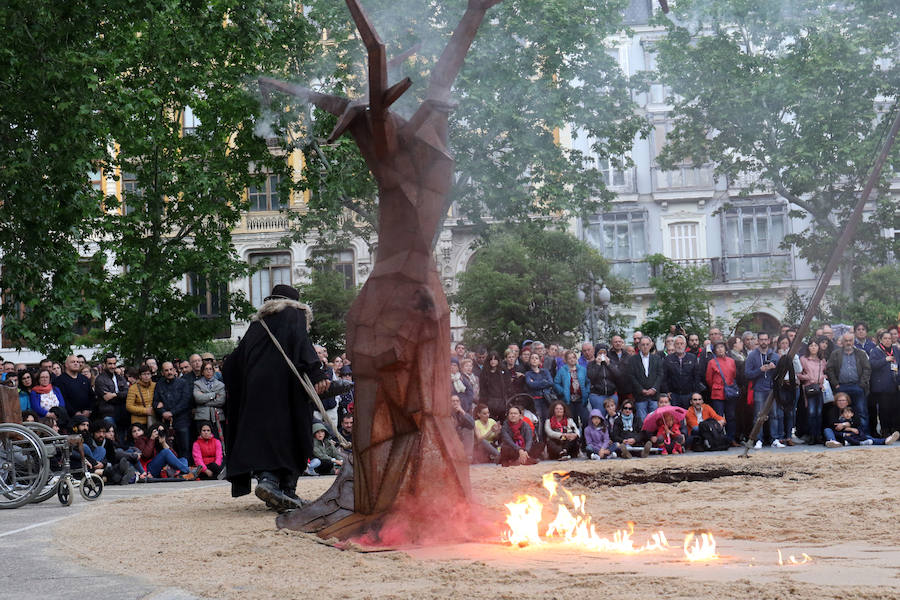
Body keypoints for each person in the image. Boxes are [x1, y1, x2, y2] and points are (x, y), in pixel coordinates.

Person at [221, 284, 329, 511]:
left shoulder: (257, 324)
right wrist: (316, 371)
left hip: (256, 392)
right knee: (294, 433)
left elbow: (232, 363)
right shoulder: (293, 313)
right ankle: (284, 487)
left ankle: (271, 483)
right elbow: (301, 342)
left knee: (265, 435)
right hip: (285, 388)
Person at [826, 332, 872, 435]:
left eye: (850, 340)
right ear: (842, 342)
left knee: (861, 411)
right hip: (841, 386)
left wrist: (862, 384)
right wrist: (836, 384)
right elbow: (829, 369)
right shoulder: (836, 354)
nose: (848, 343)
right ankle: (842, 434)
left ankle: (864, 434)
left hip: (857, 386)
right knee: (840, 412)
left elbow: (867, 369)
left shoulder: (861, 353)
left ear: (853, 341)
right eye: (846, 340)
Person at [745, 332, 779, 448]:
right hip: (758, 389)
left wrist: (775, 369)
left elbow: (781, 373)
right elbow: (747, 374)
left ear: (769, 341)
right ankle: (758, 439)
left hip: (771, 389)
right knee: (759, 415)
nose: (764, 342)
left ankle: (775, 438)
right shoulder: (752, 356)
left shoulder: (774, 355)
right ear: (758, 341)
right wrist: (760, 370)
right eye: (761, 340)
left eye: (765, 339)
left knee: (774, 414)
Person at [153, 361, 193, 459]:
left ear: (175, 370)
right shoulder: (159, 385)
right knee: (168, 448)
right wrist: (162, 412)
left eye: (171, 369)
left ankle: (185, 470)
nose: (169, 372)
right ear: (162, 373)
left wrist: (171, 412)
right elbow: (155, 402)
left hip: (182, 420)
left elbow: (185, 401)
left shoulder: (183, 383)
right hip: (166, 422)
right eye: (166, 370)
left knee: (184, 448)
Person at [131, 423, 199, 479]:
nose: (159, 433)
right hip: (148, 469)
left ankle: (181, 474)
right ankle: (188, 471)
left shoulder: (163, 439)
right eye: (158, 431)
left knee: (183, 459)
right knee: (165, 452)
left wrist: (164, 443)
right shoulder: (142, 439)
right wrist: (152, 439)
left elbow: (175, 457)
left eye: (162, 431)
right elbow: (146, 455)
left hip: (162, 468)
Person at [825, 399, 898, 447]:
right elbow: (835, 429)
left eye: (849, 413)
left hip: (855, 437)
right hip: (843, 438)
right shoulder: (838, 418)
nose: (847, 414)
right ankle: (833, 442)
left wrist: (850, 428)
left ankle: (885, 441)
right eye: (845, 413)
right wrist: (844, 432)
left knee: (867, 438)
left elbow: (857, 429)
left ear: (852, 414)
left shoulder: (853, 419)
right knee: (827, 430)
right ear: (842, 415)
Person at [867, 330, 898, 438]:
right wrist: (885, 359)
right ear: (880, 339)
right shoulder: (875, 350)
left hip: (894, 384)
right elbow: (872, 364)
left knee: (894, 408)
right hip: (881, 386)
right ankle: (885, 431)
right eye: (885, 338)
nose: (888, 340)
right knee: (884, 409)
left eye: (889, 338)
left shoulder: (895, 350)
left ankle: (894, 430)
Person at [705, 341, 737, 444]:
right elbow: (709, 379)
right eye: (717, 348)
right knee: (718, 416)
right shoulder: (712, 362)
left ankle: (731, 438)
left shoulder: (731, 361)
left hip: (730, 392)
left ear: (725, 349)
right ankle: (720, 439)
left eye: (722, 347)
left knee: (731, 416)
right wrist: (716, 386)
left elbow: (734, 375)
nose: (720, 349)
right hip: (717, 393)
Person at [772, 335, 802, 447]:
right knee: (779, 413)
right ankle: (780, 436)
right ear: (779, 344)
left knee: (790, 412)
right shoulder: (775, 355)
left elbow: (799, 369)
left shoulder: (794, 356)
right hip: (781, 386)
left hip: (792, 386)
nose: (784, 345)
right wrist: (780, 358)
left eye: (786, 343)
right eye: (782, 343)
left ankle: (789, 436)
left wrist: (792, 357)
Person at [799, 338, 828, 445]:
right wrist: (808, 377)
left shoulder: (822, 360)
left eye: (815, 345)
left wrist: (823, 377)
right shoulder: (803, 359)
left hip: (820, 388)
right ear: (808, 347)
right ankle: (811, 435)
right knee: (811, 412)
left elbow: (826, 373)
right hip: (809, 388)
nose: (813, 347)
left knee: (819, 412)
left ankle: (818, 435)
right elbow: (798, 374)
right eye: (811, 345)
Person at [553, 350, 589, 433]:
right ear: (566, 360)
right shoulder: (562, 370)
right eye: (569, 358)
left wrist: (587, 392)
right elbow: (556, 383)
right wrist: (563, 391)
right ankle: (575, 441)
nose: (572, 360)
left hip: (581, 399)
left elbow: (588, 382)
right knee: (572, 420)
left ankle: (584, 439)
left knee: (585, 418)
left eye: (573, 357)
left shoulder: (582, 369)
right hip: (569, 400)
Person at [94, 353, 129, 438]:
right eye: (110, 364)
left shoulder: (119, 377)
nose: (113, 366)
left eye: (114, 363)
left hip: (122, 412)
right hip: (108, 413)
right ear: (104, 364)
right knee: (112, 438)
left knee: (123, 437)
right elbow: (108, 398)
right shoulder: (100, 379)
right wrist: (120, 396)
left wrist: (114, 394)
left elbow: (128, 393)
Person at [629, 336, 663, 422]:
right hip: (640, 396)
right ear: (639, 346)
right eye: (643, 344)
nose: (645, 346)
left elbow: (660, 375)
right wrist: (641, 390)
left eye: (647, 344)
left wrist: (654, 388)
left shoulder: (657, 358)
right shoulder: (633, 360)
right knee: (642, 421)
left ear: (651, 345)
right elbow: (631, 376)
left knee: (655, 420)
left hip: (654, 395)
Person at [664, 335, 700, 409]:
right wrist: (667, 391)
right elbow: (664, 376)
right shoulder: (668, 359)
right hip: (674, 394)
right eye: (677, 344)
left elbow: (696, 376)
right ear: (674, 345)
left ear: (685, 345)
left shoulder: (692, 358)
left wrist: (695, 392)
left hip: (689, 394)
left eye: (682, 343)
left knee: (688, 416)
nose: (680, 346)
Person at [192, 362, 226, 437]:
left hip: (217, 417)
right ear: (202, 372)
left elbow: (221, 401)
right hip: (202, 417)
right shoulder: (197, 384)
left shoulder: (220, 385)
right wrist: (213, 395)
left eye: (210, 369)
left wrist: (204, 400)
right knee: (202, 443)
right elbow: (198, 399)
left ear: (213, 371)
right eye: (206, 369)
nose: (208, 371)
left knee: (217, 442)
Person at [524, 352, 555, 430]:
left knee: (547, 419)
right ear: (529, 361)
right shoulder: (528, 374)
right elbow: (530, 384)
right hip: (535, 400)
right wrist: (544, 382)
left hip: (545, 399)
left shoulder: (545, 372)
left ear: (539, 361)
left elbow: (551, 382)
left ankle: (547, 439)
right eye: (532, 358)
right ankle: (539, 440)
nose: (534, 360)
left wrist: (535, 382)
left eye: (536, 358)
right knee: (538, 420)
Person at [586, 344, 619, 411]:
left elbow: (618, 375)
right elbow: (591, 377)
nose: (602, 355)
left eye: (604, 353)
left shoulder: (612, 362)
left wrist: (609, 364)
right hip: (597, 394)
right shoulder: (591, 364)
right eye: (600, 353)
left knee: (612, 414)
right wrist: (598, 364)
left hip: (611, 394)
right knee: (600, 414)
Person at [479, 351, 507, 422]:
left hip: (502, 402)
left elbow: (508, 386)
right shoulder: (484, 373)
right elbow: (482, 389)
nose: (493, 361)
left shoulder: (503, 371)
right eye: (491, 359)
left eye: (495, 359)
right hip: (489, 403)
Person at [451, 394, 475, 462]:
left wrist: (463, 412)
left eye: (457, 401)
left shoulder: (462, 413)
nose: (455, 403)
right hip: (451, 437)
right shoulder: (447, 413)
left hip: (461, 437)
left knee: (469, 430)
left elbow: (472, 424)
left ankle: (468, 456)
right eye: (453, 401)